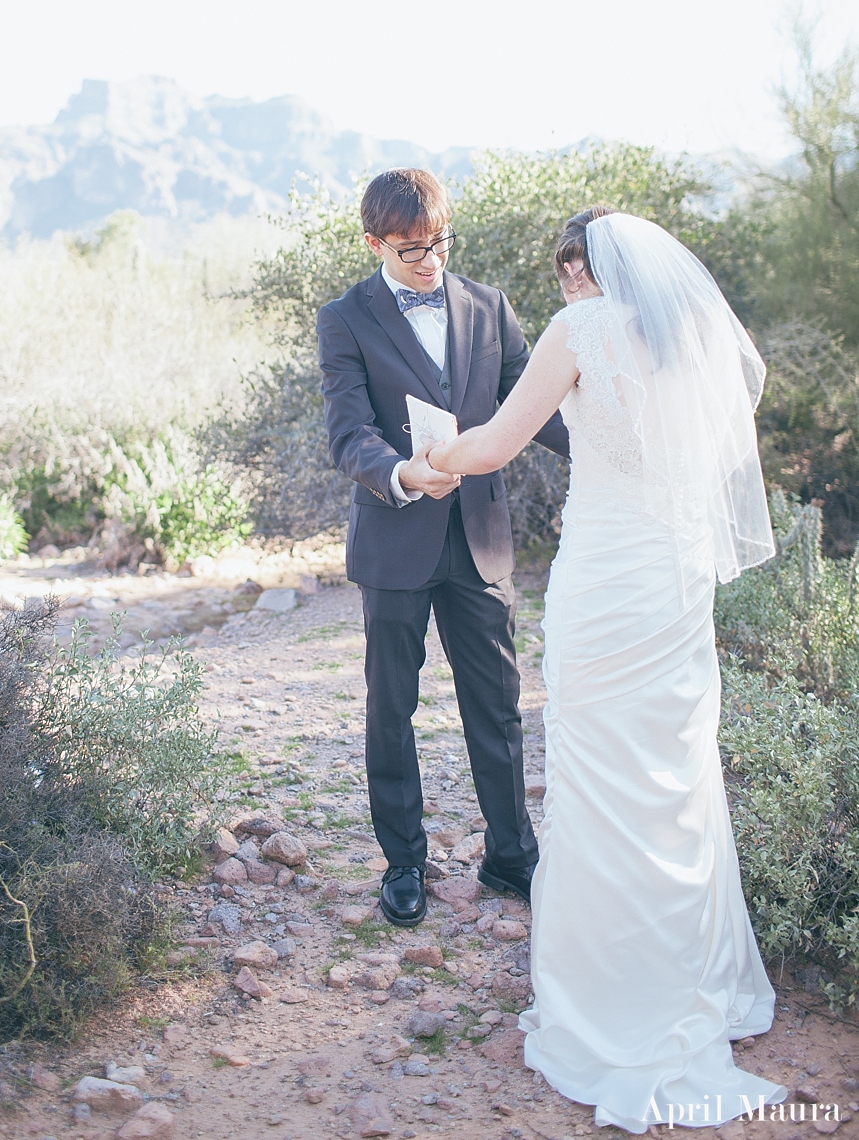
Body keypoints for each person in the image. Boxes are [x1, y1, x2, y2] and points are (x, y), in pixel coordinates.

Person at [424, 206, 787, 1132]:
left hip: (605, 582)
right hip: (671, 586)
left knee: (597, 775)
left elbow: (499, 442)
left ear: (586, 267)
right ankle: (689, 976)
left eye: (565, 267)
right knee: (672, 775)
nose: (563, 282)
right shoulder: (695, 334)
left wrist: (433, 456)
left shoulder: (580, 326)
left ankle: (612, 1003)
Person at [317, 168, 570, 926]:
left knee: (496, 707)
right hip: (395, 539)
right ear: (373, 243)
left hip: (481, 539)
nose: (429, 260)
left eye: (438, 242)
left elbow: (536, 402)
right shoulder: (343, 318)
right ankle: (403, 863)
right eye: (409, 249)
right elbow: (346, 431)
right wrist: (398, 473)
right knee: (390, 710)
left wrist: (601, 452)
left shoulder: (489, 306)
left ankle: (510, 857)